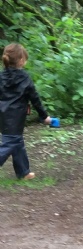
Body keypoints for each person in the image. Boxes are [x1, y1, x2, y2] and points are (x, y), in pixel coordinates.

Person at [0, 43, 51, 179]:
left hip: (3, 116)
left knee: (17, 143)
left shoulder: (1, 77)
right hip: (16, 118)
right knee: (11, 143)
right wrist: (44, 116)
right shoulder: (24, 78)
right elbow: (35, 99)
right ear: (21, 60)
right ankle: (23, 172)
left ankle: (23, 172)